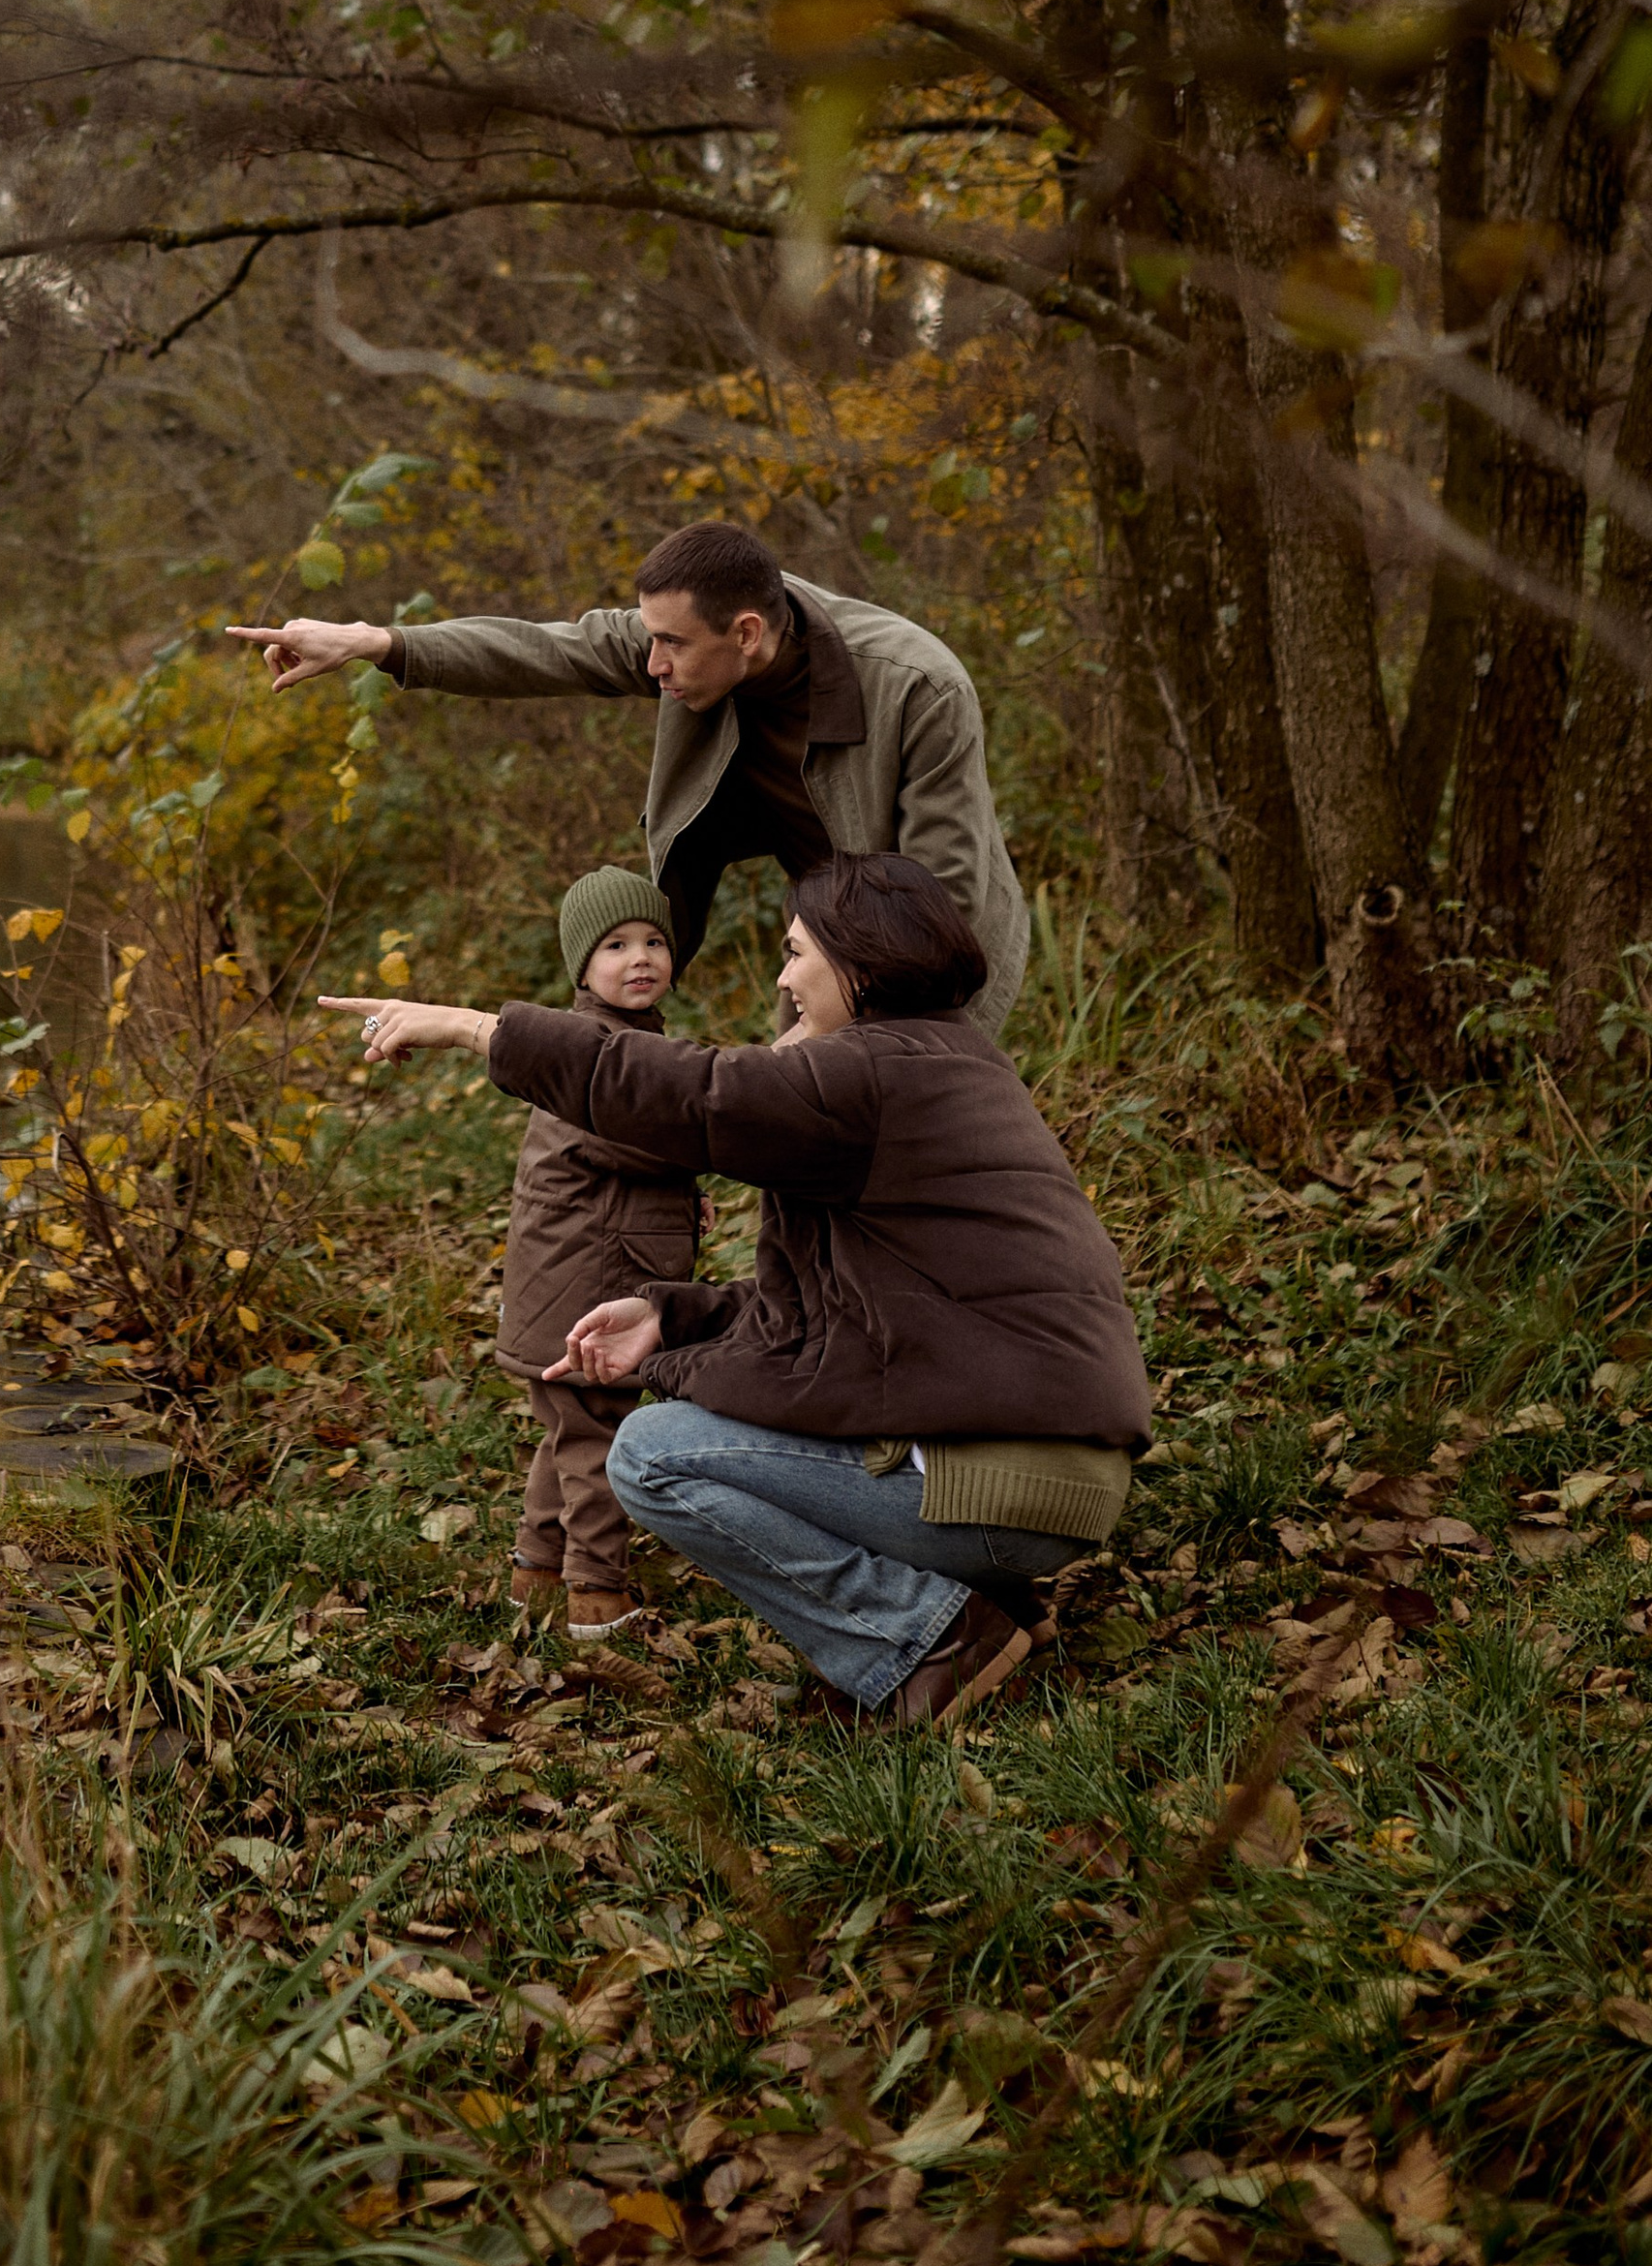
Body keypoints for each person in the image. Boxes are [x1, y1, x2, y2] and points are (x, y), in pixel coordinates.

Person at [323, 848, 1147, 1730]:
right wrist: (674, 1318)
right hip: (1048, 1478)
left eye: (796, 954)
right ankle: (985, 1607)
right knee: (695, 1429)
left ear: (859, 963)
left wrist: (471, 1027)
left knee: (651, 1453)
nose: (784, 980)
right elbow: (854, 1314)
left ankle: (926, 1641)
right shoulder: (949, 1060)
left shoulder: (869, 1074)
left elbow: (690, 1095)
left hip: (1002, 1483)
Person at [234, 515, 1028, 1032]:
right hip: (820, 937)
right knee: (802, 1150)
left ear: (747, 633)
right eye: (648, 638)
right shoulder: (691, 638)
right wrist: (378, 643)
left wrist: (838, 1037)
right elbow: (547, 651)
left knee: (907, 1150)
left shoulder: (919, 688)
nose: (652, 665)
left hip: (938, 959)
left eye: (670, 645)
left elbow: (941, 894)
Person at [500, 869, 703, 1644]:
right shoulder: (590, 1049)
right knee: (597, 1432)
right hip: (591, 1276)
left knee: (569, 1426)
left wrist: (686, 1199)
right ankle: (596, 1589)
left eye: (654, 941)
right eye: (615, 946)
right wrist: (699, 1160)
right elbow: (642, 1135)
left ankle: (537, 1568)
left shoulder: (628, 1038)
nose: (640, 957)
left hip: (573, 1267)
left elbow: (629, 1163)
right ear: (581, 968)